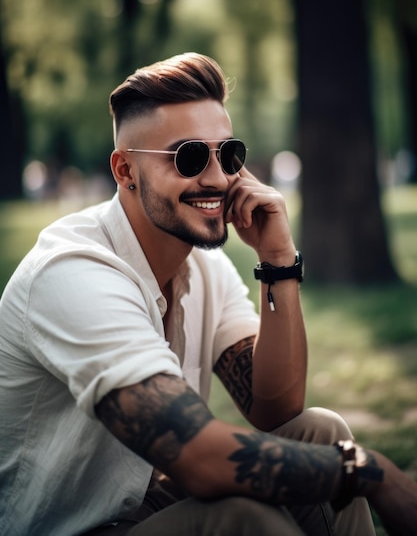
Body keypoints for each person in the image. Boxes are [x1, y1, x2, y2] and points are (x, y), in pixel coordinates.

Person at [0, 53, 416, 536]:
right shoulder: (72, 273)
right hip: (66, 527)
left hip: (145, 502)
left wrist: (278, 261)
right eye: (191, 156)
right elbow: (198, 457)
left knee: (321, 432)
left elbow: (277, 408)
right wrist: (368, 473)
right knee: (240, 518)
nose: (218, 178)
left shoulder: (204, 263)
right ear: (124, 170)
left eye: (229, 153)